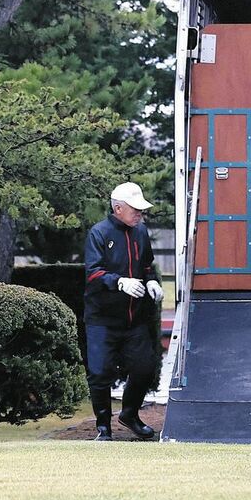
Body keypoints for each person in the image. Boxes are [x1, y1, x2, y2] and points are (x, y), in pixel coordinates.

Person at [83, 182, 163, 441]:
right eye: (135, 209)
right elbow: (93, 273)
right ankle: (103, 428)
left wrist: (151, 281)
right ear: (118, 208)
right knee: (100, 373)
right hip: (102, 319)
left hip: (134, 318)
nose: (140, 214)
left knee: (144, 367)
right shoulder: (99, 233)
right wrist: (119, 282)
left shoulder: (140, 232)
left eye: (141, 209)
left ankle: (129, 415)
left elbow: (147, 265)